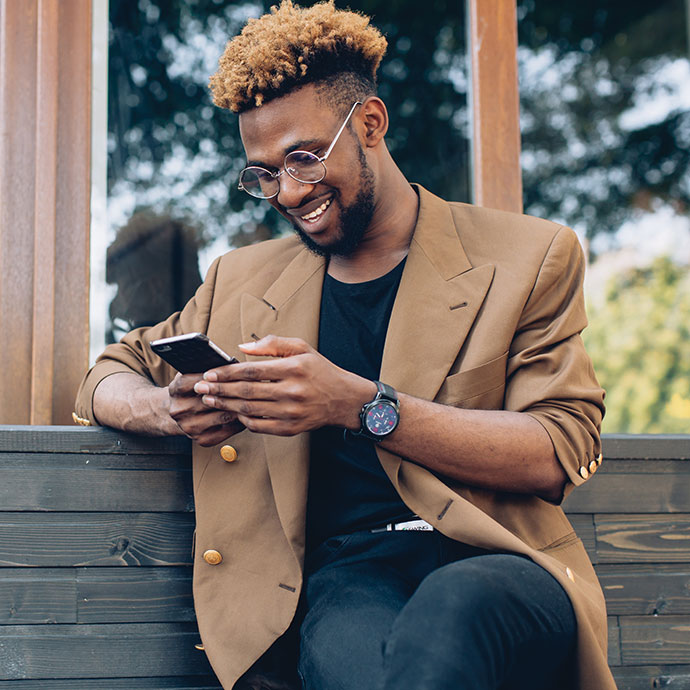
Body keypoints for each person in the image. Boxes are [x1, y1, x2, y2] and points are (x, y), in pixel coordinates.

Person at [74, 2, 616, 688]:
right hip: (346, 577)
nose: (287, 191)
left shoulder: (530, 256)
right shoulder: (244, 279)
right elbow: (108, 372)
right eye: (263, 173)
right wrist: (165, 410)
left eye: (303, 157)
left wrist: (359, 405)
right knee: (347, 650)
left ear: (370, 123)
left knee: (453, 612)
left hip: (500, 564)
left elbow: (559, 450)